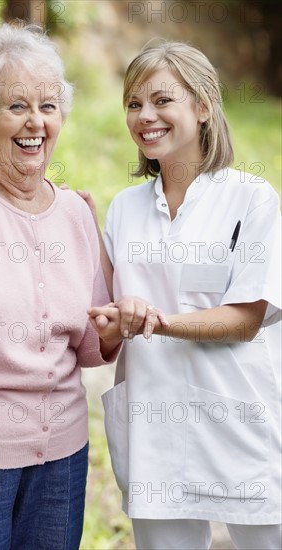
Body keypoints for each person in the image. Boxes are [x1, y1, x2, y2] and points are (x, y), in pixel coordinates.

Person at [0, 23, 120, 550]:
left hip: (62, 461)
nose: (36, 122)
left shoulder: (76, 213)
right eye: (16, 106)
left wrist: (114, 328)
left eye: (49, 105)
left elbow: (90, 350)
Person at [87, 41, 281, 549]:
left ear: (203, 106)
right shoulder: (123, 209)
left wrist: (156, 321)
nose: (144, 116)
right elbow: (109, 327)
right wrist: (83, 236)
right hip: (156, 435)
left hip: (243, 428)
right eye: (133, 104)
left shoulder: (252, 199)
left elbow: (245, 318)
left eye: (161, 100)